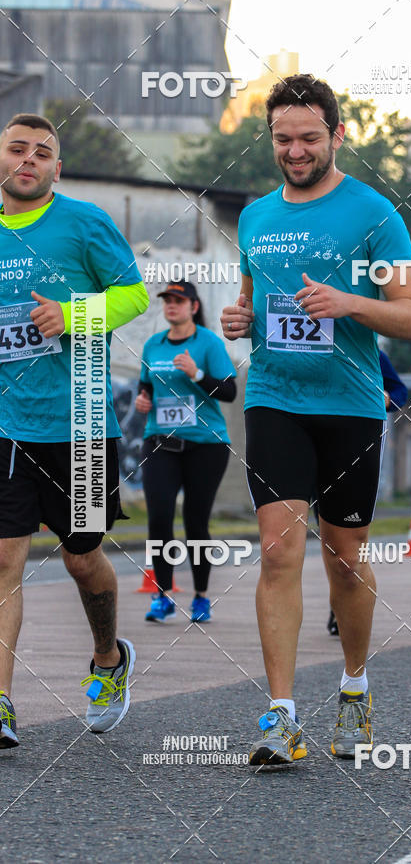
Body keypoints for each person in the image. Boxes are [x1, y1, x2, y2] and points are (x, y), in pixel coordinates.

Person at [221, 74, 411, 765]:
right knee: (279, 551)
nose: (296, 150)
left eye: (309, 137)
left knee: (345, 559)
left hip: (349, 406)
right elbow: (252, 302)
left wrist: (350, 303)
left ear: (338, 135)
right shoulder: (255, 217)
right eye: (283, 138)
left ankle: (355, 687)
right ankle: (280, 717)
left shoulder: (375, 214)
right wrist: (240, 318)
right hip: (275, 398)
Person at [0, 113, 149, 748]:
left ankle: (109, 656)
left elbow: (134, 295)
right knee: (4, 559)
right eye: (17, 149)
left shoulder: (84, 222)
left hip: (82, 421)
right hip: (8, 425)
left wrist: (72, 313)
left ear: (57, 168)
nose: (29, 159)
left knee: (81, 558)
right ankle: (2, 704)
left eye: (43, 152)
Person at [135, 280, 236, 624]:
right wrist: (142, 399)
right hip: (160, 442)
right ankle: (162, 596)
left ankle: (202, 597)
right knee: (159, 518)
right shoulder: (153, 345)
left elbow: (229, 392)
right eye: (167, 301)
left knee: (196, 521)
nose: (171, 306)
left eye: (178, 301)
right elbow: (145, 386)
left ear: (193, 306)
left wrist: (197, 373)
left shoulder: (208, 343)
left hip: (205, 446)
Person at [327, 348, 408, 636]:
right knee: (328, 538)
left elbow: (400, 390)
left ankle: (340, 608)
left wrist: (390, 399)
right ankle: (337, 607)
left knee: (348, 545)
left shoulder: (371, 350)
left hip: (355, 442)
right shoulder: (309, 347)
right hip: (313, 443)